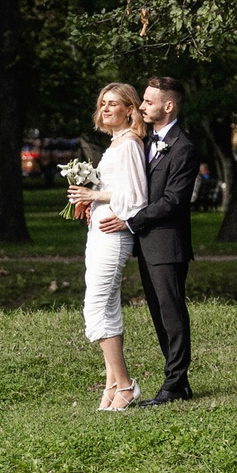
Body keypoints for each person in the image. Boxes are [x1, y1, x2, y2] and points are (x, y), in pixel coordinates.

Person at [96, 76, 197, 405]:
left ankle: (176, 383)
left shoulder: (183, 147)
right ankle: (177, 381)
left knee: (171, 313)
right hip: (147, 244)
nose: (142, 106)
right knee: (158, 313)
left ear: (168, 106)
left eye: (149, 102)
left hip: (168, 244)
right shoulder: (145, 141)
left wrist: (130, 221)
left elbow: (173, 201)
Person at [66, 82, 150, 411]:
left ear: (130, 109)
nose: (105, 108)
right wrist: (90, 200)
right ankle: (111, 385)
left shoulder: (129, 144)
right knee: (108, 307)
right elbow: (116, 189)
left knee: (96, 308)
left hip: (114, 234)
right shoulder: (115, 144)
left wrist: (94, 195)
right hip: (99, 232)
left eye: (113, 103)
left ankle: (126, 385)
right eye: (103, 103)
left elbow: (136, 196)